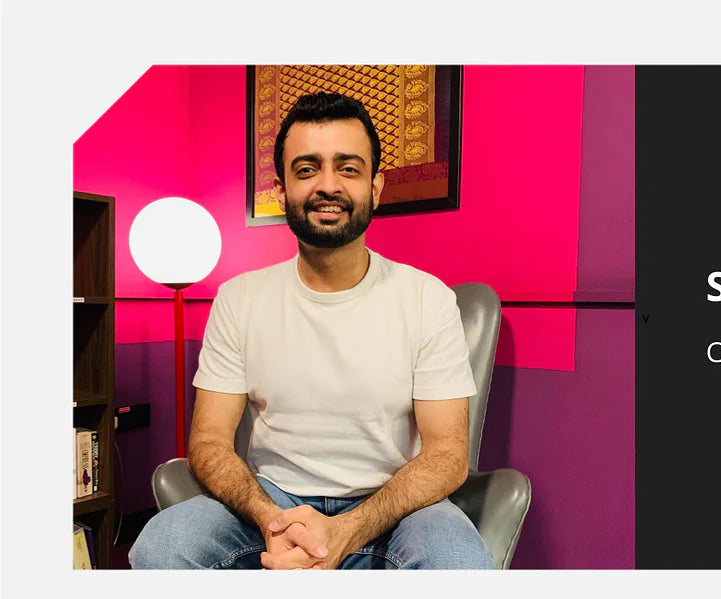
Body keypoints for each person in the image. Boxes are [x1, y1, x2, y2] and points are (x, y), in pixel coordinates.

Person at [129, 92, 494, 569]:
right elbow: (209, 440)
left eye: (348, 168)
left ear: (375, 187)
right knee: (161, 546)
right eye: (306, 169)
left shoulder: (427, 298)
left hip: (394, 508)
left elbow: (447, 454)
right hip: (269, 504)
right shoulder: (239, 299)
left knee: (458, 564)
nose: (328, 185)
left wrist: (346, 529)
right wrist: (270, 520)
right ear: (282, 190)